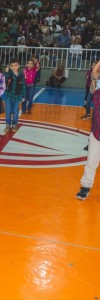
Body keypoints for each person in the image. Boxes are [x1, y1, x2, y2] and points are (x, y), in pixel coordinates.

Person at [76, 60, 100, 200]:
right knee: (91, 161)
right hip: (97, 133)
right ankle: (85, 187)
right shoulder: (97, 91)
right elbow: (94, 72)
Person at [4, 58, 26, 133]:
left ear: (19, 66)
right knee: (8, 111)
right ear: (9, 66)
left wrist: (23, 96)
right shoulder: (8, 74)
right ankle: (7, 124)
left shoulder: (21, 75)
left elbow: (23, 86)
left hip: (17, 97)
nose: (14, 67)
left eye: (15, 65)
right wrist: (6, 72)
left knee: (15, 112)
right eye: (12, 66)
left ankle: (15, 124)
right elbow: (4, 80)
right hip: (8, 96)